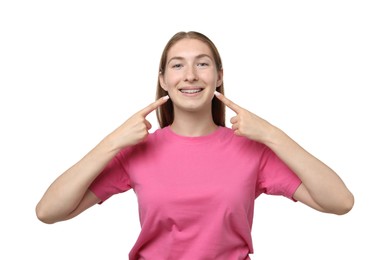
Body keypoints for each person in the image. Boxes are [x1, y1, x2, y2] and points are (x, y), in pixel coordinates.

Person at [36, 31, 354, 260]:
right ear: (163, 79)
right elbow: (49, 211)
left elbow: (340, 202)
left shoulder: (251, 150)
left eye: (202, 64)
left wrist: (271, 133)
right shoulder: (135, 151)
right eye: (177, 65)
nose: (190, 75)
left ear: (218, 76)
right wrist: (110, 143)